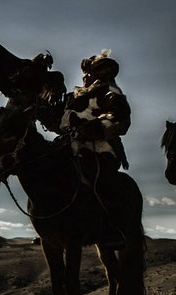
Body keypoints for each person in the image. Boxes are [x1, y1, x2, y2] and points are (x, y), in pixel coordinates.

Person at [41, 50, 132, 246]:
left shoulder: (110, 93)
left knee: (97, 176)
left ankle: (111, 226)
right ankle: (50, 225)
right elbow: (60, 123)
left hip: (101, 147)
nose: (84, 76)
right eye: (84, 73)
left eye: (88, 72)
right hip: (71, 146)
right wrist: (45, 115)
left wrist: (95, 127)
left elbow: (120, 119)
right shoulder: (73, 97)